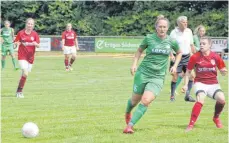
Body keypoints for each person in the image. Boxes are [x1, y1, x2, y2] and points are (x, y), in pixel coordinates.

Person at [123, 15, 182, 134]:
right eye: (160, 26)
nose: (162, 29)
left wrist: (174, 66)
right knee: (134, 101)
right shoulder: (149, 38)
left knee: (145, 100)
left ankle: (130, 126)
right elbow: (139, 50)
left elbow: (179, 52)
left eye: (164, 27)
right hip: (143, 73)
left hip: (158, 77)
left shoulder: (171, 41)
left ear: (167, 28)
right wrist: (134, 64)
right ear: (156, 27)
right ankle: (128, 112)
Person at [182, 37, 227, 132]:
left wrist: (224, 72)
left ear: (209, 45)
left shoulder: (215, 56)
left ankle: (216, 118)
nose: (201, 45)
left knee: (222, 100)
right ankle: (190, 125)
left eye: (204, 43)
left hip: (213, 84)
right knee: (200, 99)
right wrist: (185, 85)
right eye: (201, 43)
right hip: (200, 83)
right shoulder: (195, 57)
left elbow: (223, 70)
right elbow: (188, 72)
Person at [169, 16, 196, 102]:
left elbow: (191, 45)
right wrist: (171, 55)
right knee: (175, 77)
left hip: (187, 56)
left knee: (192, 76)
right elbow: (169, 45)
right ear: (179, 23)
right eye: (184, 22)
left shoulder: (189, 31)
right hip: (177, 56)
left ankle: (187, 95)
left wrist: (196, 55)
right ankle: (172, 96)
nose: (186, 23)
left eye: (186, 22)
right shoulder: (174, 33)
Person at [14, 18, 40, 98]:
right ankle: (19, 92)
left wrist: (35, 44)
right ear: (26, 24)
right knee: (25, 73)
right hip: (22, 56)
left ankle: (18, 90)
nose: (30, 25)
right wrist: (16, 44)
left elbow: (38, 45)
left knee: (24, 75)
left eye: (31, 24)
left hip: (30, 58)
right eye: (29, 23)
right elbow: (15, 42)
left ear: (33, 25)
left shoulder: (35, 34)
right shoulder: (20, 33)